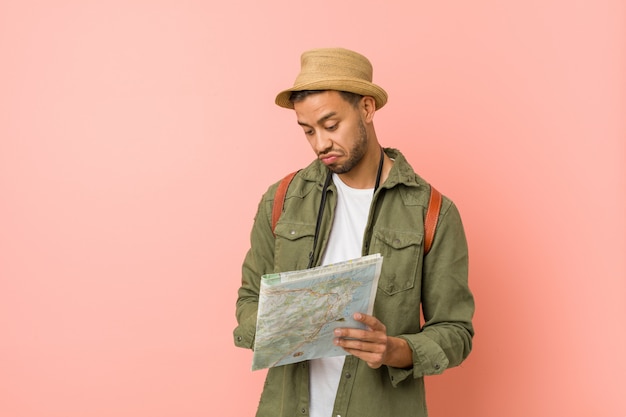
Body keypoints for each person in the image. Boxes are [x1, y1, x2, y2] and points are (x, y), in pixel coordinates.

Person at [234, 47, 475, 417]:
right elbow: (250, 301)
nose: (320, 144)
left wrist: (395, 350)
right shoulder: (281, 200)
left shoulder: (433, 213)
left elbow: (456, 331)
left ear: (366, 108)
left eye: (331, 126)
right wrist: (277, 326)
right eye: (308, 130)